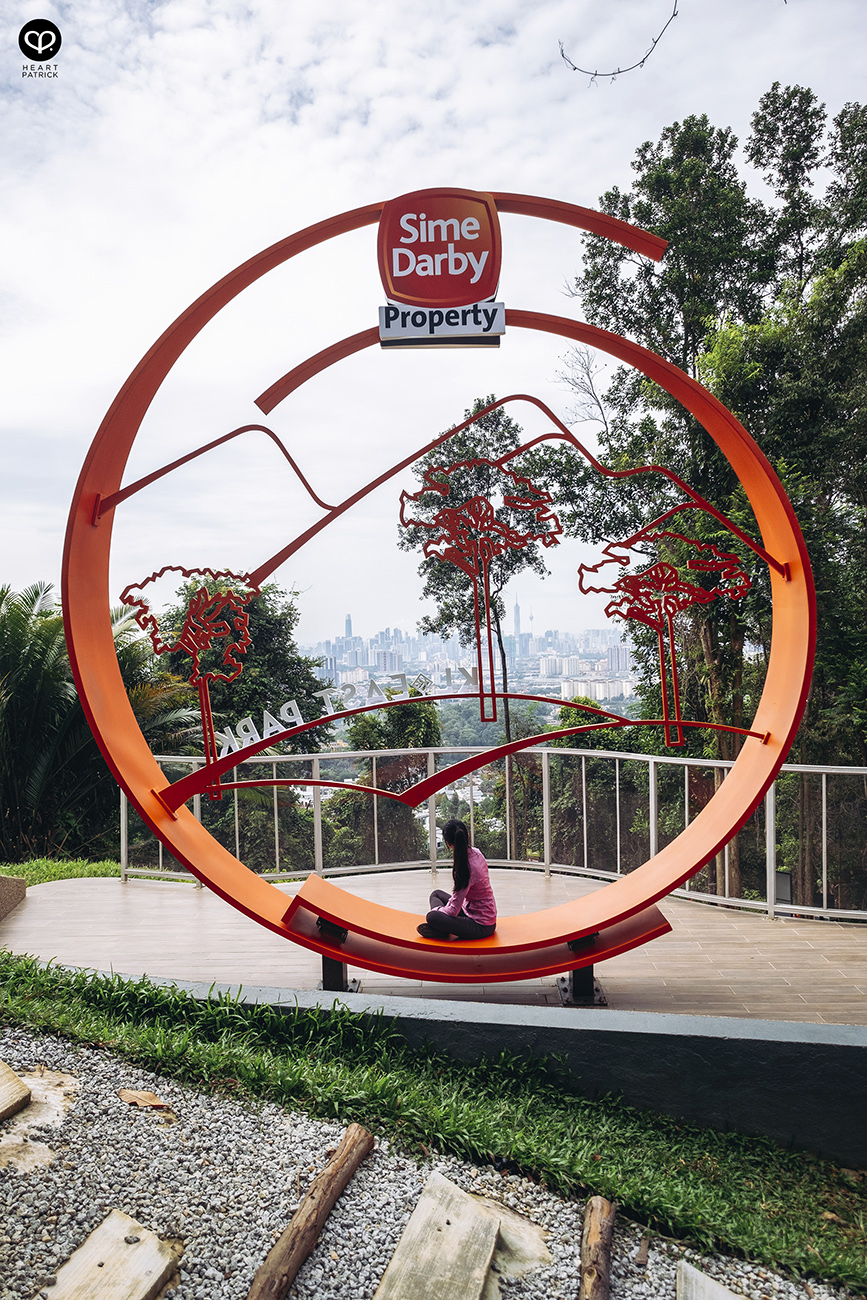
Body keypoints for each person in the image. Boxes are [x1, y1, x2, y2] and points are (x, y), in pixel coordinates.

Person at [417, 818, 497, 940]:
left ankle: (441, 930)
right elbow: (457, 899)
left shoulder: (466, 868)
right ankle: (442, 929)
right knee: (436, 894)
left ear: (448, 844)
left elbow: (453, 910)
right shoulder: (476, 852)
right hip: (471, 910)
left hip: (481, 925)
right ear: (467, 836)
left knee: (432, 917)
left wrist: (439, 911)